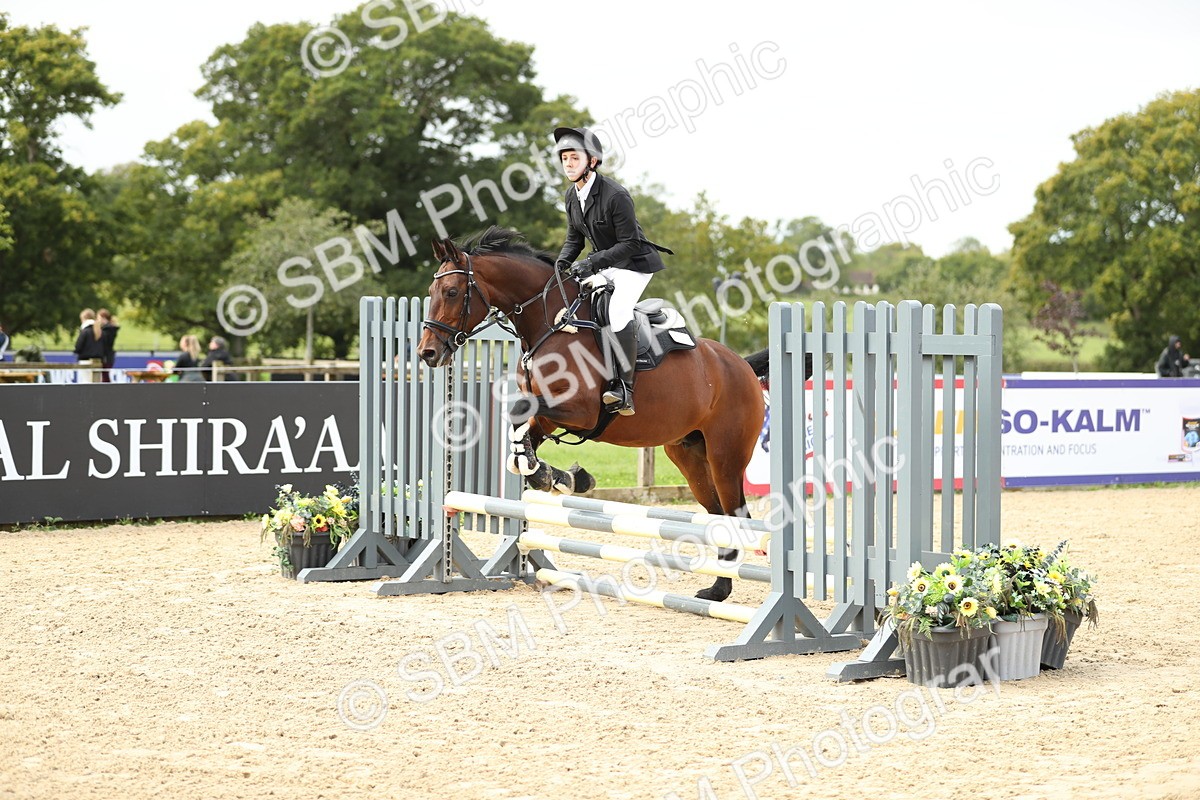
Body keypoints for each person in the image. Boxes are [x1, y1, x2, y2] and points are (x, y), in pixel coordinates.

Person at [552, 126, 670, 415]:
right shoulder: (572, 195)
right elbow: (574, 240)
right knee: (577, 303)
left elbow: (630, 243)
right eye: (565, 158)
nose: (568, 163)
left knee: (616, 312)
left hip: (634, 265)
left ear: (591, 161)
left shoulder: (616, 195)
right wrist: (559, 265)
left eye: (574, 158)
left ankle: (624, 388)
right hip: (606, 264)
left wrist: (591, 263)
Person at [97, 308, 119, 383]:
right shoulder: (109, 329)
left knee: (105, 376)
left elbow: (105, 343)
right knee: (105, 376)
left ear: (103, 318)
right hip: (108, 356)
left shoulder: (107, 330)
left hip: (106, 357)